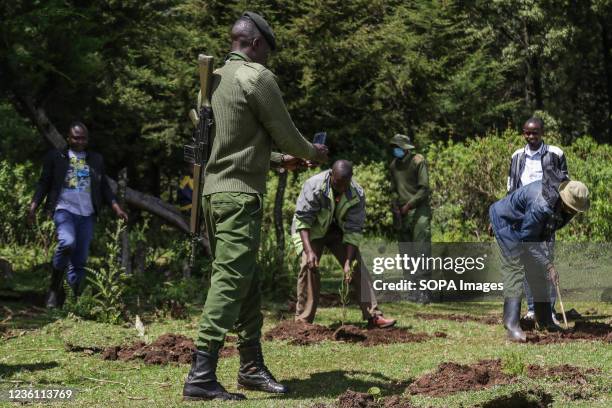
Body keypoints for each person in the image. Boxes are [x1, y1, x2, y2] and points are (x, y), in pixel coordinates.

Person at [182, 11, 328, 401]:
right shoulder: (257, 78)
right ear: (257, 44)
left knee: (246, 281)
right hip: (239, 196)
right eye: (268, 53)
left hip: (213, 194)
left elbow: (231, 144)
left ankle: (250, 366)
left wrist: (281, 162)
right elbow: (287, 134)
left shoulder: (212, 80)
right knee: (230, 281)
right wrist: (313, 152)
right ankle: (201, 374)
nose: (268, 62)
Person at [28, 122, 128, 308]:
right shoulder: (57, 157)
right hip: (64, 209)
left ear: (87, 139)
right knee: (67, 242)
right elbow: (44, 183)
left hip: (87, 214)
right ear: (68, 138)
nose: (79, 141)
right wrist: (34, 205)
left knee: (79, 261)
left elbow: (104, 186)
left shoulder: (95, 160)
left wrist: (116, 207)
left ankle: (71, 300)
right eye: (75, 137)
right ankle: (53, 288)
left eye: (83, 138)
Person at [292, 160, 396, 328]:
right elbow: (302, 221)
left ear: (351, 179)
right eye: (337, 183)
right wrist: (309, 251)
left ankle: (374, 316)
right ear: (331, 175)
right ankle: (303, 321)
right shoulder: (313, 186)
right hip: (312, 231)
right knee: (308, 266)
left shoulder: (357, 193)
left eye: (345, 184)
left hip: (338, 232)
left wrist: (348, 261)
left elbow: (354, 230)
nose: (341, 188)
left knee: (356, 266)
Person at [489, 180, 589, 342]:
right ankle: (511, 325)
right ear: (564, 200)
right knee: (515, 268)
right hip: (508, 224)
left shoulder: (565, 208)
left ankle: (544, 321)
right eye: (572, 208)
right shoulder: (541, 205)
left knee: (538, 270)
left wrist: (546, 262)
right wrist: (548, 265)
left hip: (525, 227)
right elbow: (527, 241)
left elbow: (544, 231)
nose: (574, 212)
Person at [507, 117, 569, 323]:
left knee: (546, 260)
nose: (531, 137)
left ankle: (548, 311)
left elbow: (564, 186)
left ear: (542, 132)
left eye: (535, 133)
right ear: (523, 133)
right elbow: (511, 189)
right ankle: (533, 309)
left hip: (545, 217)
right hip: (523, 217)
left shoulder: (555, 153)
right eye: (527, 133)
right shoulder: (516, 156)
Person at [388, 134, 432, 303]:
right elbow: (393, 189)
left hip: (419, 211)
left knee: (421, 250)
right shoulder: (393, 166)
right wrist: (396, 207)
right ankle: (412, 290)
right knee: (406, 252)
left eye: (397, 146)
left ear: (406, 148)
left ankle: (424, 292)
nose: (395, 150)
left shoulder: (418, 161)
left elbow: (424, 189)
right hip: (401, 213)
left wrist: (409, 205)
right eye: (393, 147)